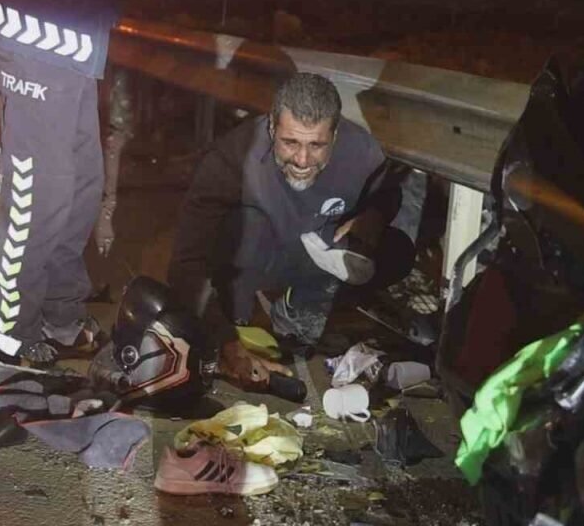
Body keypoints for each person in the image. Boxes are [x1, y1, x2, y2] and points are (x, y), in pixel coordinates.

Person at [167, 73, 413, 391]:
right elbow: (187, 262)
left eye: (316, 145)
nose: (302, 160)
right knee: (245, 228)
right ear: (272, 127)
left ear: (335, 135)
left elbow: (387, 194)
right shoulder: (230, 159)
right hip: (256, 254)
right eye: (290, 142)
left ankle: (299, 307)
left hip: (314, 247)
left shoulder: (363, 151)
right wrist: (226, 344)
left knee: (397, 250)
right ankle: (242, 313)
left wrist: (370, 220)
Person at [0, 0, 162, 366]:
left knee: (81, 190)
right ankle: (11, 341)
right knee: (39, 198)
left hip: (74, 38)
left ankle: (60, 318)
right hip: (28, 25)